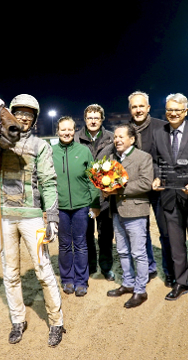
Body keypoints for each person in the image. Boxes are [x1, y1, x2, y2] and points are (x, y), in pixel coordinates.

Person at [0, 94, 65, 347]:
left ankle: (57, 322)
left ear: (35, 119)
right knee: (10, 273)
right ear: (12, 114)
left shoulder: (40, 146)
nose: (24, 117)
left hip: (32, 220)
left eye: (29, 114)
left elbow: (49, 183)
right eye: (20, 112)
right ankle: (18, 320)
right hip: (5, 219)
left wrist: (52, 218)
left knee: (43, 271)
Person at [151, 93, 188, 305]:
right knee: (176, 245)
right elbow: (157, 161)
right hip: (169, 197)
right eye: (169, 110)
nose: (173, 113)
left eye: (177, 110)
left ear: (185, 111)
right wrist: (157, 176)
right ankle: (181, 282)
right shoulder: (159, 133)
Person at [103, 124, 154, 308]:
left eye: (121, 137)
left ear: (132, 139)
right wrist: (105, 190)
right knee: (122, 251)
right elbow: (106, 183)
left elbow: (146, 184)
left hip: (135, 212)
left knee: (138, 253)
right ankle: (128, 283)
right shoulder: (111, 158)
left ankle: (140, 290)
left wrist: (118, 189)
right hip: (116, 211)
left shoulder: (143, 157)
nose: (117, 140)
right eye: (115, 137)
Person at [51, 116, 101, 297]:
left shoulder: (84, 150)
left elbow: (93, 180)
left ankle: (81, 281)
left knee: (81, 244)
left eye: (70, 129)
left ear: (74, 130)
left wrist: (95, 204)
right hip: (60, 208)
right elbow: (45, 182)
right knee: (64, 244)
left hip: (82, 207)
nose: (66, 132)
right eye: (63, 129)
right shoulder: (51, 152)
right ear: (57, 131)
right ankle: (67, 280)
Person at [128, 91, 172, 286]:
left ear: (148, 108)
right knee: (141, 233)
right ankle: (149, 267)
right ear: (130, 109)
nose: (138, 110)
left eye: (141, 106)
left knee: (166, 232)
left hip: (159, 188)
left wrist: (159, 177)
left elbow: (169, 158)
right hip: (137, 190)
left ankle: (170, 271)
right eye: (134, 107)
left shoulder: (162, 128)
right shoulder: (126, 130)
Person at [74, 104, 115, 281]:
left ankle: (106, 267)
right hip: (85, 200)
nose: (92, 121)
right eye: (89, 118)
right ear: (85, 119)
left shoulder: (112, 138)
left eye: (96, 118)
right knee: (87, 234)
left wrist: (111, 187)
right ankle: (90, 266)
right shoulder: (76, 139)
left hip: (105, 198)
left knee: (105, 235)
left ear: (102, 119)